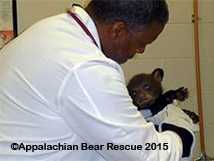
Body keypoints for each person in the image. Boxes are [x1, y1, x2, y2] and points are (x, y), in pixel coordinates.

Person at [0, 1, 191, 161]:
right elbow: (146, 155)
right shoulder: (86, 67)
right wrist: (180, 131)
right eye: (142, 43)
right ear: (118, 30)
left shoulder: (49, 29)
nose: (141, 51)